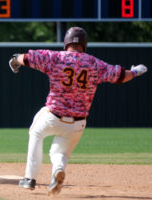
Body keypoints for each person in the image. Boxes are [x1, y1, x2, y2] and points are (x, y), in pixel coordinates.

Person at [8, 27, 147, 195]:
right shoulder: (95, 64)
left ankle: (29, 178)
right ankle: (58, 169)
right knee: (59, 153)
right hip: (78, 122)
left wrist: (15, 60)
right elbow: (121, 76)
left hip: (53, 116)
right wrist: (135, 71)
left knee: (36, 132)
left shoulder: (55, 58)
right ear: (84, 44)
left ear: (66, 42)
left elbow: (27, 58)